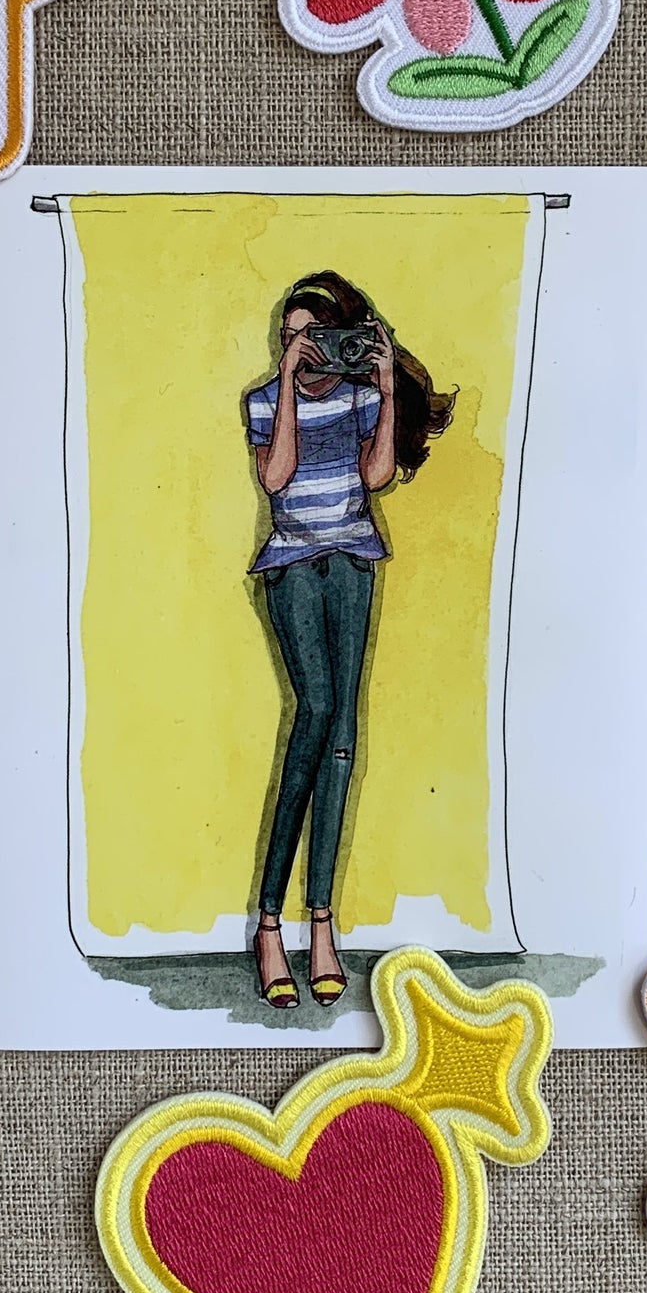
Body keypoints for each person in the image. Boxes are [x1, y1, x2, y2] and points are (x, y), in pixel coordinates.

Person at [243, 272, 454, 1010]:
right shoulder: (264, 401)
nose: (304, 349)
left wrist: (388, 389)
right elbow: (277, 479)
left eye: (314, 336)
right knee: (316, 711)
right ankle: (270, 923)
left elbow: (376, 474)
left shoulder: (362, 396)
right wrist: (287, 382)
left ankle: (321, 922)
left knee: (341, 737)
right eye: (290, 337)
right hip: (293, 565)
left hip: (353, 562)